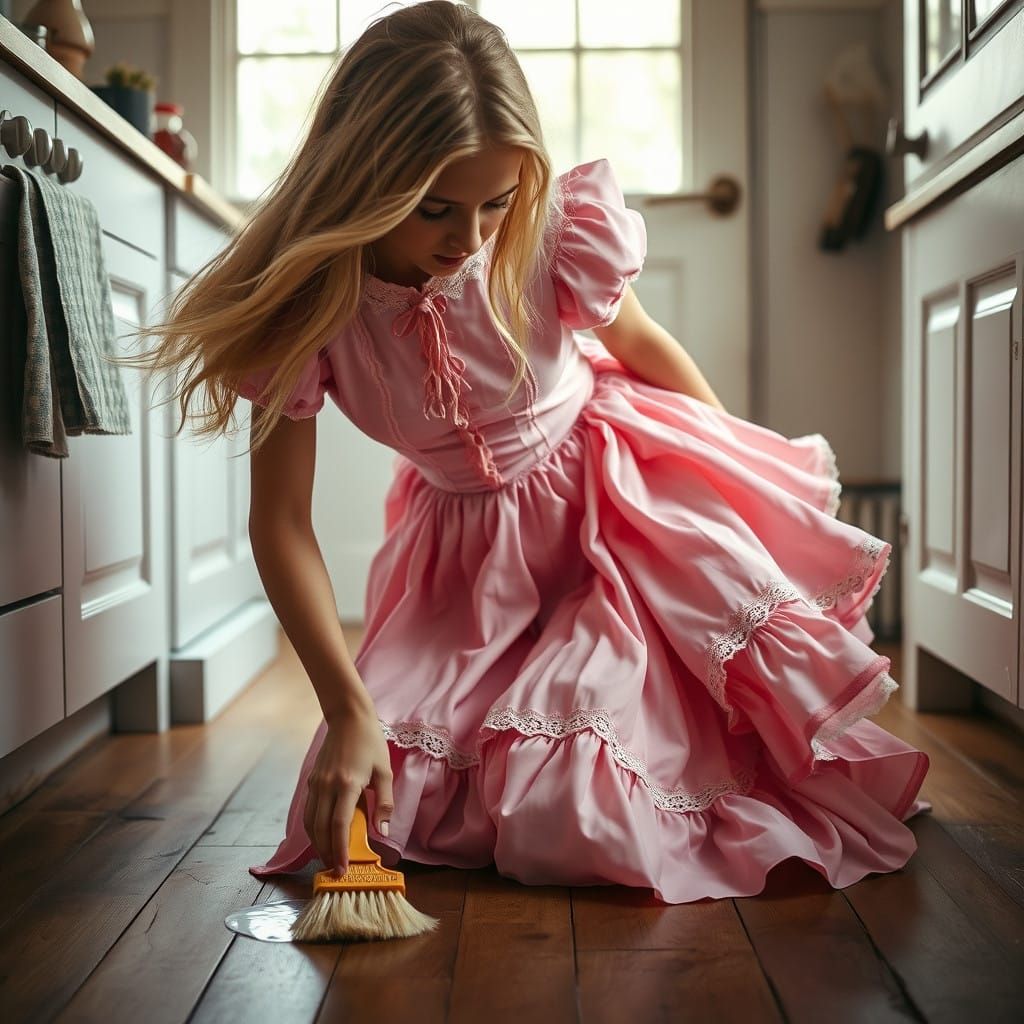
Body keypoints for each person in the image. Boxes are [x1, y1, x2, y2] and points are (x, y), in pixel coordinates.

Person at [119, 0, 930, 904]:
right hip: (463, 575)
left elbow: (644, 347)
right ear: (360, 182)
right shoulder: (308, 312)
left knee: (578, 814)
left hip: (615, 527)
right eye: (434, 210)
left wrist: (736, 485)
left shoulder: (548, 241)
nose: (469, 240)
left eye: (495, 205)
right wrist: (344, 705)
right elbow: (279, 523)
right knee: (397, 799)